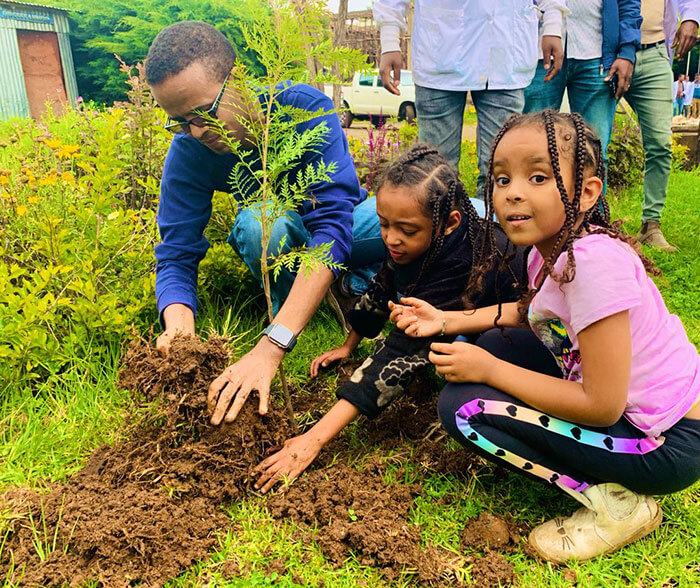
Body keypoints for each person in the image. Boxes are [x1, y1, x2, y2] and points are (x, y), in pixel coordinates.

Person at [391, 110, 700, 562]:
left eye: (538, 176)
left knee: (464, 409)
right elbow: (534, 312)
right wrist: (448, 320)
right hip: (651, 419)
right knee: (499, 342)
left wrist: (490, 371)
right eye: (501, 179)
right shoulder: (557, 248)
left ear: (588, 192)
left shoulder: (593, 268)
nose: (513, 191)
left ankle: (618, 505)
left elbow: (601, 405)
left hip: (664, 444)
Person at [144, 21, 384, 424]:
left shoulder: (301, 107)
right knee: (260, 226)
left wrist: (272, 348)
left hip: (347, 225)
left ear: (236, 79)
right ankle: (302, 306)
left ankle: (345, 284)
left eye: (204, 112)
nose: (197, 131)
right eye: (180, 120)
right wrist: (180, 327)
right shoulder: (189, 148)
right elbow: (175, 253)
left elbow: (333, 228)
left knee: (419, 216)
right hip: (282, 237)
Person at [253, 145, 524, 493]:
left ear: (449, 223)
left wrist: (313, 439)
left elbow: (398, 351)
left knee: (465, 352)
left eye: (407, 231)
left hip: (516, 327)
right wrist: (348, 344)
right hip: (453, 314)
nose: (391, 239)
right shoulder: (410, 241)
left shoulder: (465, 258)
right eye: (383, 224)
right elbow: (382, 286)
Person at [373, 0, 568, 198]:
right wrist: (389, 42)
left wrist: (552, 24)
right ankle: (442, 228)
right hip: (440, 52)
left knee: (501, 172)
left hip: (505, 53)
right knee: (436, 174)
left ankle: (494, 229)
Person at [524, 0, 642, 169]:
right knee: (532, 149)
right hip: (539, 51)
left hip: (596, 54)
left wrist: (627, 51)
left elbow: (629, 3)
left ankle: (592, 196)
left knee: (594, 153)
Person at [625, 0, 700, 252]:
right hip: (608, 51)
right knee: (594, 144)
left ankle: (651, 225)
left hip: (656, 52)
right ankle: (594, 224)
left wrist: (691, 18)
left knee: (660, 143)